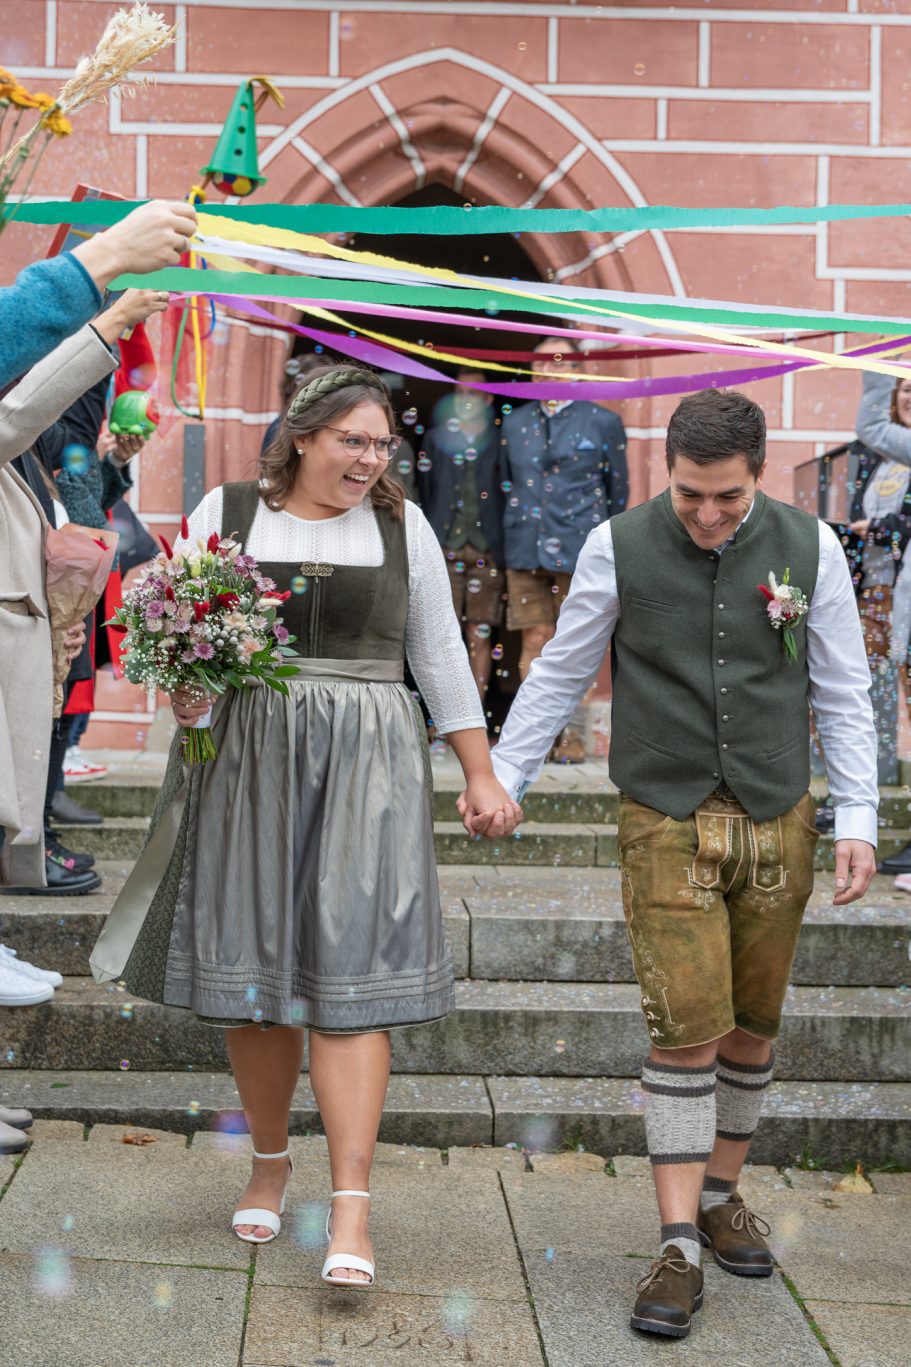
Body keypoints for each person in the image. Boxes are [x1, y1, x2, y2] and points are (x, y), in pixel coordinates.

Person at [90, 364, 521, 1287]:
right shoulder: (229, 509)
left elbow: (439, 655)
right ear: (301, 437)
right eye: (350, 440)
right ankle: (270, 1160)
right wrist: (188, 694)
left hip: (366, 765)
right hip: (246, 758)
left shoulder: (403, 530)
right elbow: (177, 631)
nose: (368, 458)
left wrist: (478, 772)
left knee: (353, 970)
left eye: (379, 443)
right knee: (256, 974)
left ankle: (352, 1204)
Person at [481, 388, 877, 1341]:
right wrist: (502, 774)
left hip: (778, 813)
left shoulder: (811, 546)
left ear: (757, 473)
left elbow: (841, 685)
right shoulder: (612, 544)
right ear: (668, 470)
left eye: (727, 499)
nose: (706, 515)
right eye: (691, 494)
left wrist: (856, 812)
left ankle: (721, 1193)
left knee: (750, 1026)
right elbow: (563, 667)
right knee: (683, 1028)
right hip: (662, 812)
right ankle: (674, 1246)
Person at [500, 336, 628, 761]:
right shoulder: (515, 423)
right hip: (525, 546)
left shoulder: (603, 422)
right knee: (532, 640)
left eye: (559, 362)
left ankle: (571, 739)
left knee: (578, 646)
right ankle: (533, 738)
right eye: (541, 363)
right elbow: (505, 486)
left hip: (580, 551)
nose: (548, 370)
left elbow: (617, 493)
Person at [849, 370, 911, 876]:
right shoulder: (887, 455)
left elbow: (870, 423)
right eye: (905, 389)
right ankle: (855, 804)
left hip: (900, 591)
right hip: (879, 591)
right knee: (862, 696)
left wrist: (878, 355)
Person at [417, 368, 506, 702]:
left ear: (488, 398)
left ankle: (474, 713)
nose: (467, 400)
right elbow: (427, 490)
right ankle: (443, 715)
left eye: (474, 393)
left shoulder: (501, 440)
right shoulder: (436, 438)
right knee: (443, 636)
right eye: (461, 393)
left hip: (488, 549)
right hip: (444, 548)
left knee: (478, 633)